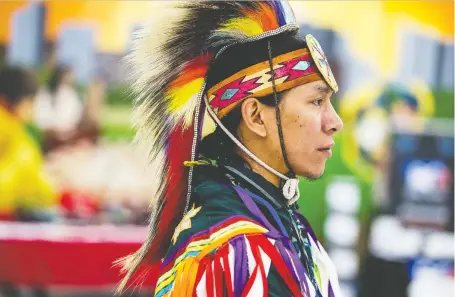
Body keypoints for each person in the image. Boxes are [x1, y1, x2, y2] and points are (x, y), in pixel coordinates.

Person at [118, 1, 344, 296]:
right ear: (255, 117)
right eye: (316, 101)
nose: (334, 122)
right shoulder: (226, 253)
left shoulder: (286, 228)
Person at [0, 66, 58, 221]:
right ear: (6, 99)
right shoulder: (8, 131)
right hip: (15, 213)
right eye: (30, 101)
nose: (32, 108)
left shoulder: (15, 127)